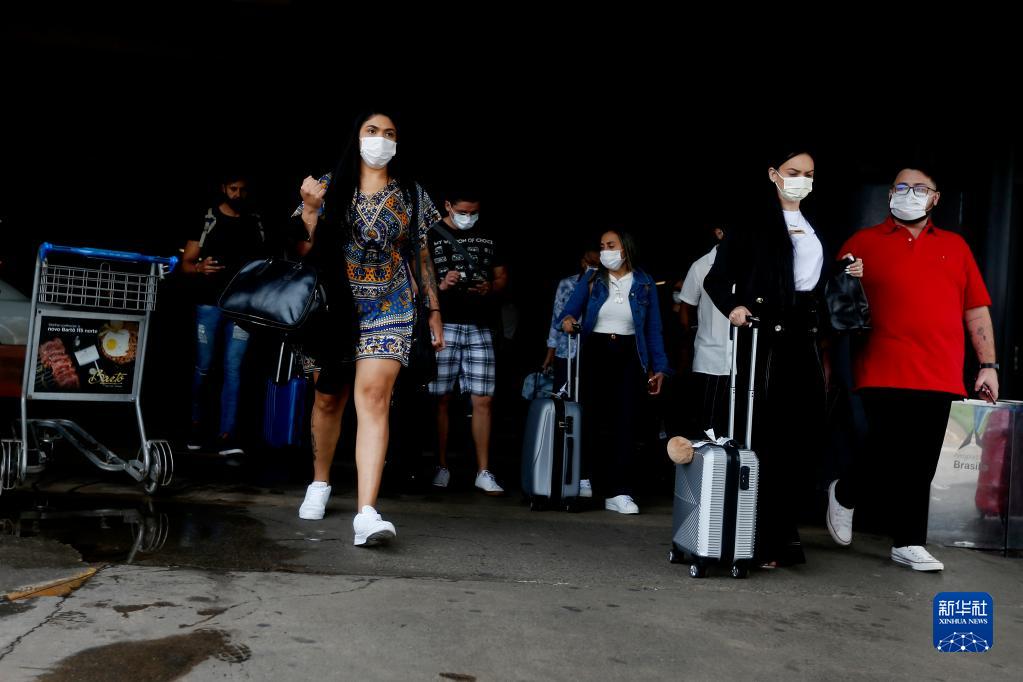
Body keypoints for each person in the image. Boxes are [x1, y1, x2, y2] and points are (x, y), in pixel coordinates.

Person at [826, 167, 997, 572]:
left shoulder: (956, 246)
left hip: (940, 370)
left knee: (922, 460)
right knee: (886, 447)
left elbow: (976, 310)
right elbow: (833, 301)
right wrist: (844, 278)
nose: (910, 193)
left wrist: (988, 365)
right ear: (890, 194)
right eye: (902, 187)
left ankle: (908, 542)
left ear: (935, 198)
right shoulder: (862, 242)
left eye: (920, 188)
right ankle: (845, 493)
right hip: (882, 363)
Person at [703, 149, 863, 568]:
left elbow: (815, 278)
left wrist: (846, 270)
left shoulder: (817, 223)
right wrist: (734, 307)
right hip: (765, 335)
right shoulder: (752, 223)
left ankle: (783, 531)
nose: (802, 180)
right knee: (765, 433)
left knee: (803, 433)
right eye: (794, 172)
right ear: (774, 174)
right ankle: (756, 535)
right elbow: (716, 279)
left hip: (805, 335)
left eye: (809, 173)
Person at [292, 110, 445, 547]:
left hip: (390, 304)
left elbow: (421, 255)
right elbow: (302, 249)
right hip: (334, 308)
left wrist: (433, 309)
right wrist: (310, 208)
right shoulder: (327, 185)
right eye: (372, 131)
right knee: (328, 399)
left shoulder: (412, 193)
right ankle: (320, 480)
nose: (381, 140)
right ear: (356, 137)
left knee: (374, 399)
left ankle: (366, 513)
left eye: (390, 133)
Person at [560, 230, 670, 514]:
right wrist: (569, 320)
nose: (605, 251)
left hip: (630, 353)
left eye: (611, 245)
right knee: (590, 417)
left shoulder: (645, 282)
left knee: (626, 422)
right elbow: (568, 312)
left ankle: (620, 491)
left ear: (626, 249)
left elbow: (653, 329)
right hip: (596, 350)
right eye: (602, 246)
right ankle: (584, 479)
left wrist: (660, 368)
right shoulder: (592, 278)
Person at [427, 188, 509, 494]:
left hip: (480, 325)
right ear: (447, 205)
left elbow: (502, 276)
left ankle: (483, 471)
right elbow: (418, 278)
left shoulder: (489, 234)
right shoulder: (431, 234)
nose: (468, 217)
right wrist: (442, 284)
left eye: (473, 212)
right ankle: (441, 466)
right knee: (440, 397)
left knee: (483, 398)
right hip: (444, 323)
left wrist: (490, 288)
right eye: (462, 212)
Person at [181, 172, 266, 456]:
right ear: (223, 188)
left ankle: (227, 434)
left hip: (241, 308)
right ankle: (196, 425)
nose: (237, 194)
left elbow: (265, 264)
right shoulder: (208, 219)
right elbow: (185, 264)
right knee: (204, 366)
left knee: (234, 369)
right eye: (233, 188)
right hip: (209, 304)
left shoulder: (254, 222)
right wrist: (199, 267)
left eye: (242, 189)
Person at [678, 226, 731, 438]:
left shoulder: (753, 263)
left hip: (744, 359)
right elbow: (686, 307)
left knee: (738, 425)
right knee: (709, 428)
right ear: (719, 232)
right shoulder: (701, 266)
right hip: (710, 359)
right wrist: (686, 344)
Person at [543, 248, 599, 393]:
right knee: (563, 395)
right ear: (583, 262)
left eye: (596, 263)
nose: (592, 267)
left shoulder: (604, 286)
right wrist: (550, 352)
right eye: (589, 262)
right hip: (566, 349)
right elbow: (556, 319)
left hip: (594, 349)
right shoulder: (567, 284)